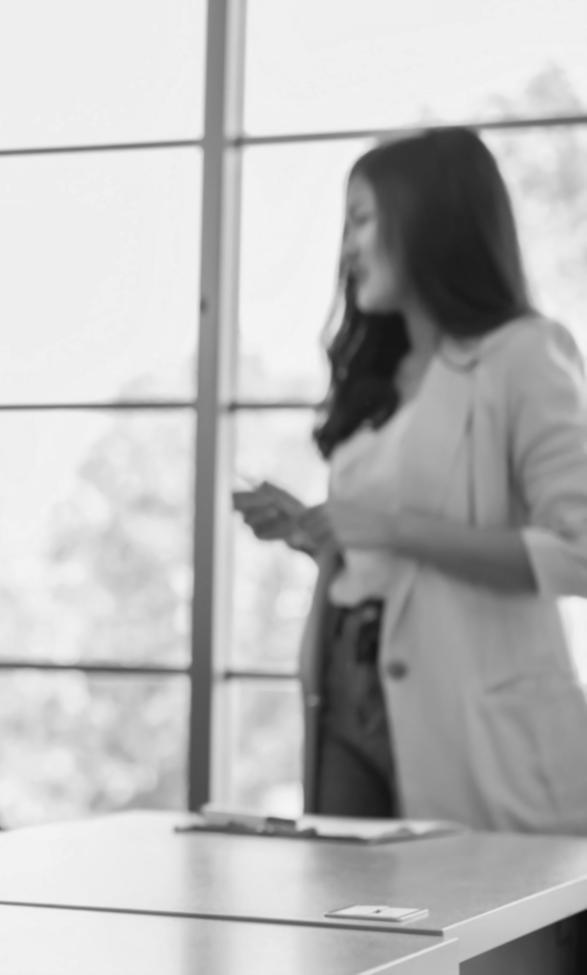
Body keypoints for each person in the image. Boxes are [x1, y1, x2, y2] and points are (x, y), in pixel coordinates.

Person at [235, 127, 587, 833]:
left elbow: (577, 552)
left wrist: (385, 527)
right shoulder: (378, 381)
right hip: (342, 681)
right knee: (350, 931)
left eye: (362, 219)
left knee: (477, 926)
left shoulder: (522, 355)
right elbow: (386, 562)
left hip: (472, 712)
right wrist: (317, 532)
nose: (345, 247)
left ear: (426, 222)